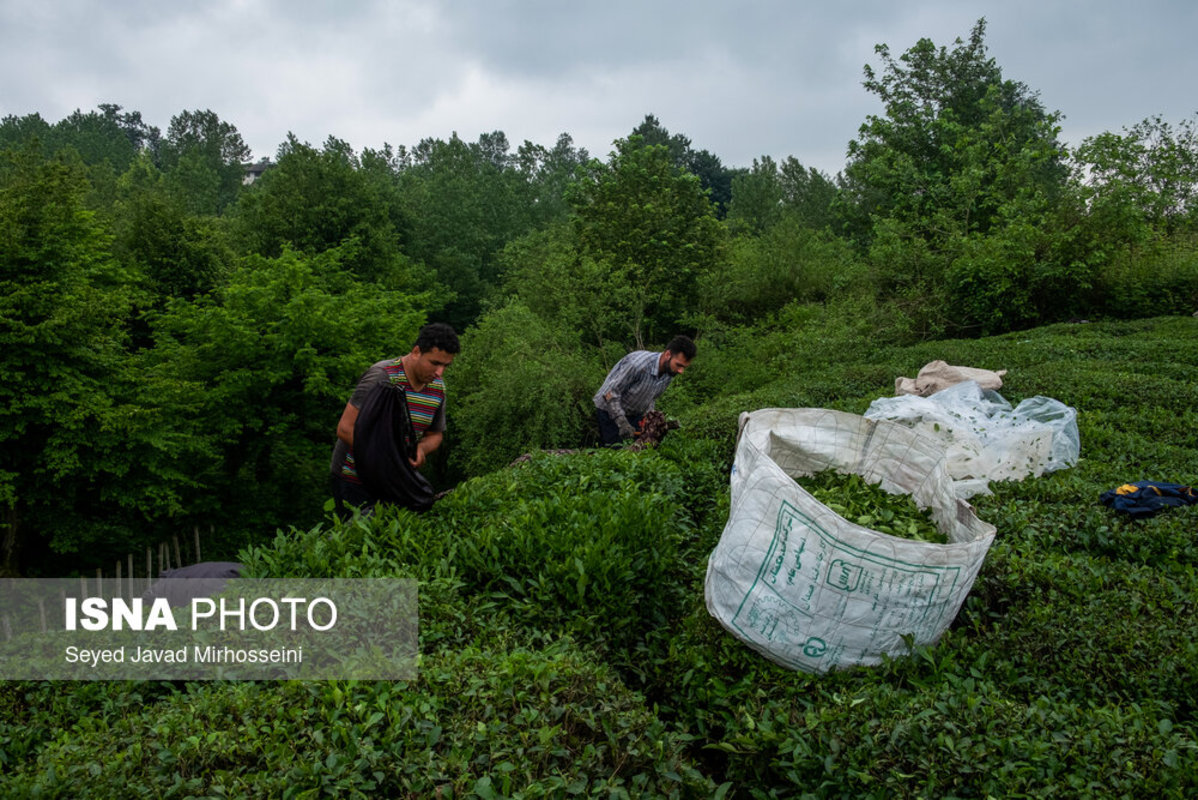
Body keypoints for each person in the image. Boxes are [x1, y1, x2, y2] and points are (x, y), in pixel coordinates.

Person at [330, 322, 460, 519]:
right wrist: (388, 461)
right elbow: (345, 429)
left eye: (445, 366)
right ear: (416, 352)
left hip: (395, 480)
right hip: (354, 478)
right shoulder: (382, 376)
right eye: (434, 363)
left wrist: (421, 449)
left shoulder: (437, 388)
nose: (439, 372)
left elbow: (435, 435)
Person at [593, 335, 695, 446]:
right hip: (609, 410)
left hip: (633, 413)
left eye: (684, 367)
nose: (681, 371)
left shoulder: (669, 373)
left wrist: (648, 420)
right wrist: (622, 422)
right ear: (668, 355)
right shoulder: (638, 365)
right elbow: (610, 393)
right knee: (613, 452)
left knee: (641, 450)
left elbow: (651, 397)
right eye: (679, 365)